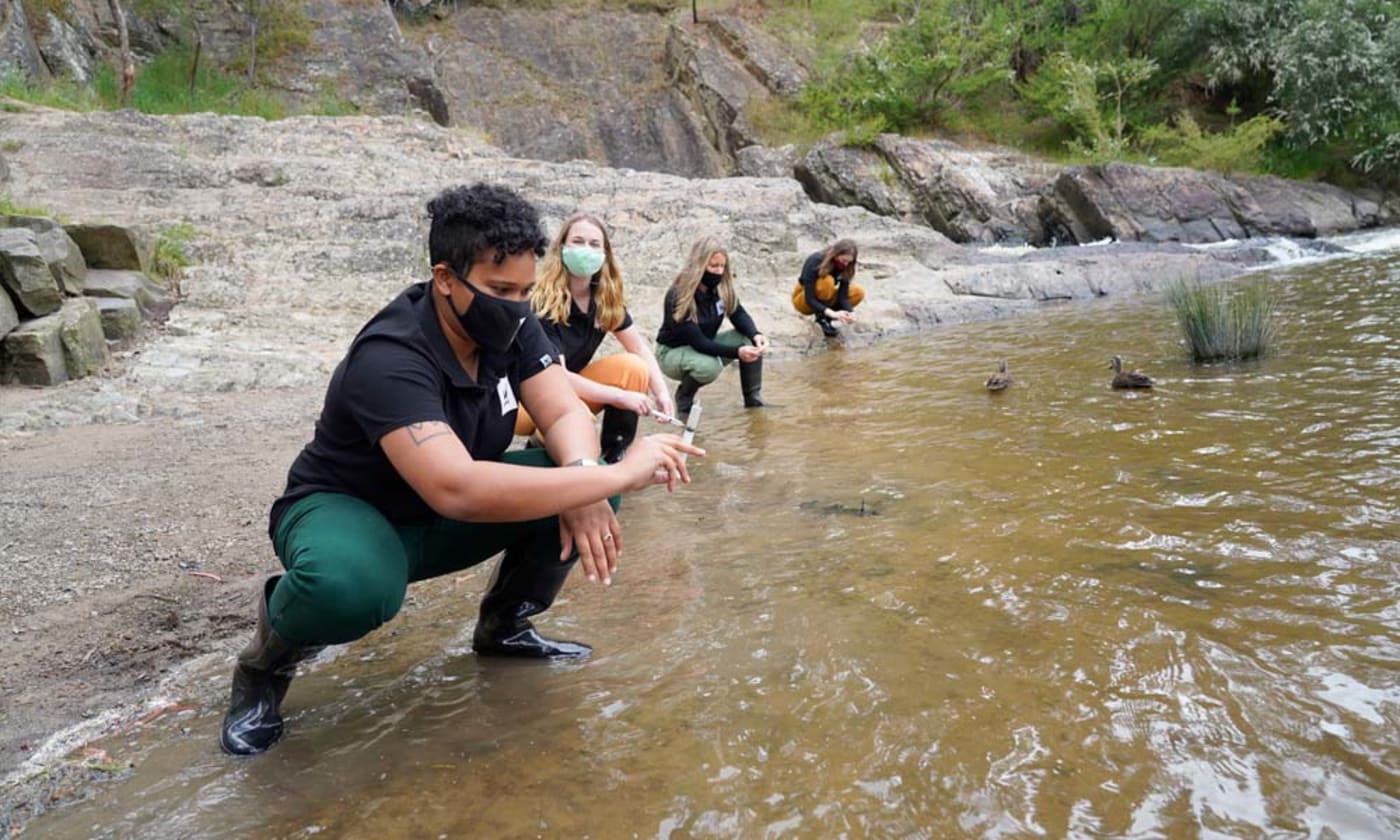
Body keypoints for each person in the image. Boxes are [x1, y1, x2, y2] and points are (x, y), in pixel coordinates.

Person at [220, 183, 702, 756]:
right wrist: (616, 474)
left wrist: (584, 473)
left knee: (581, 485)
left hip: (440, 515)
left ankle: (506, 626)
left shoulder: (514, 326)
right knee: (351, 587)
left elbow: (562, 408)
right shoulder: (392, 354)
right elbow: (457, 488)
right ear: (445, 278)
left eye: (525, 289)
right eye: (500, 290)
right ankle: (263, 667)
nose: (517, 305)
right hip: (349, 509)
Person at [515, 213, 675, 464]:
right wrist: (619, 396)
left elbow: (639, 349)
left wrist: (662, 393)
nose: (585, 250)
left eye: (594, 244)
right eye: (577, 242)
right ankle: (539, 445)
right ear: (562, 248)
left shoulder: (603, 299)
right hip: (527, 399)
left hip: (568, 389)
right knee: (579, 421)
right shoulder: (543, 303)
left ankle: (614, 458)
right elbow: (557, 375)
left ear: (605, 254)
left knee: (633, 367)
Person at [655, 236, 769, 414]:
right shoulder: (678, 295)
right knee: (710, 367)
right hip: (672, 352)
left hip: (703, 344)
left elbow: (738, 313)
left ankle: (753, 400)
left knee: (749, 340)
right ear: (699, 266)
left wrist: (756, 334)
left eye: (722, 267)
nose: (718, 272)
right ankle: (684, 396)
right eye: (713, 266)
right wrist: (737, 353)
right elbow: (699, 342)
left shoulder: (721, 288)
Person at [791, 239, 863, 337]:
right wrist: (831, 313)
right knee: (827, 281)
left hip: (824, 298)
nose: (845, 264)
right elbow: (809, 298)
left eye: (848, 262)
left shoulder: (846, 267)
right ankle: (822, 318)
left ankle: (829, 316)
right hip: (804, 299)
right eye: (843, 261)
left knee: (858, 292)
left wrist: (850, 313)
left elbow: (843, 296)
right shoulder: (815, 260)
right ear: (836, 254)